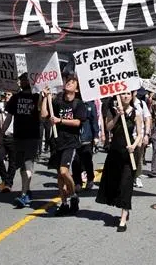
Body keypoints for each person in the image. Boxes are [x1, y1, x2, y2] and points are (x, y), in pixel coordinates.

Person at [96, 93, 142, 232]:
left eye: (128, 94)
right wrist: (117, 115)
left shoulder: (136, 113)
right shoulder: (113, 111)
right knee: (115, 183)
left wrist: (133, 146)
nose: (126, 96)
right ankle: (123, 208)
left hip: (129, 154)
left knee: (126, 184)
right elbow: (108, 127)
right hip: (115, 152)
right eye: (123, 94)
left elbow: (140, 133)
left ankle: (123, 217)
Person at [42, 76, 87, 216]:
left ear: (77, 89)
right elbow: (44, 114)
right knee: (60, 177)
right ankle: (64, 203)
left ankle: (73, 195)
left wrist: (60, 120)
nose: (68, 83)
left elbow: (78, 122)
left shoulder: (78, 104)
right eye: (67, 81)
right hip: (56, 141)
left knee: (63, 171)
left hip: (70, 142)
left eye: (72, 82)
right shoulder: (57, 101)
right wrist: (45, 97)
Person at [3, 73, 44, 208]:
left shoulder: (37, 96)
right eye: (21, 79)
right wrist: (1, 132)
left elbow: (41, 112)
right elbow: (9, 116)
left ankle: (23, 194)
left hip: (32, 136)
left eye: (25, 79)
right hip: (18, 136)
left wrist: (44, 96)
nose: (22, 82)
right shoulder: (15, 97)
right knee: (21, 167)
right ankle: (26, 190)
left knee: (28, 164)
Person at [72, 97, 101, 190]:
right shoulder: (74, 103)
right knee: (76, 161)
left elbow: (94, 121)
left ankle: (90, 179)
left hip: (87, 136)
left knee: (87, 160)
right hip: (75, 137)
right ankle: (77, 182)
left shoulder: (90, 105)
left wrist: (96, 135)